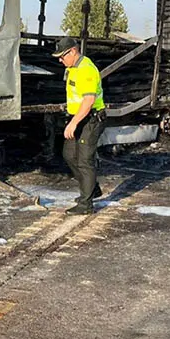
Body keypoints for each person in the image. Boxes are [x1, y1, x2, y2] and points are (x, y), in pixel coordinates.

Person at [52, 37, 106, 214]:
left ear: (72, 52)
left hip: (91, 119)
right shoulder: (72, 68)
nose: (60, 60)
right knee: (69, 155)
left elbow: (89, 100)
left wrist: (74, 123)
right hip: (78, 118)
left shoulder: (86, 69)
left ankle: (86, 205)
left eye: (62, 56)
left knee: (84, 161)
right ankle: (92, 188)